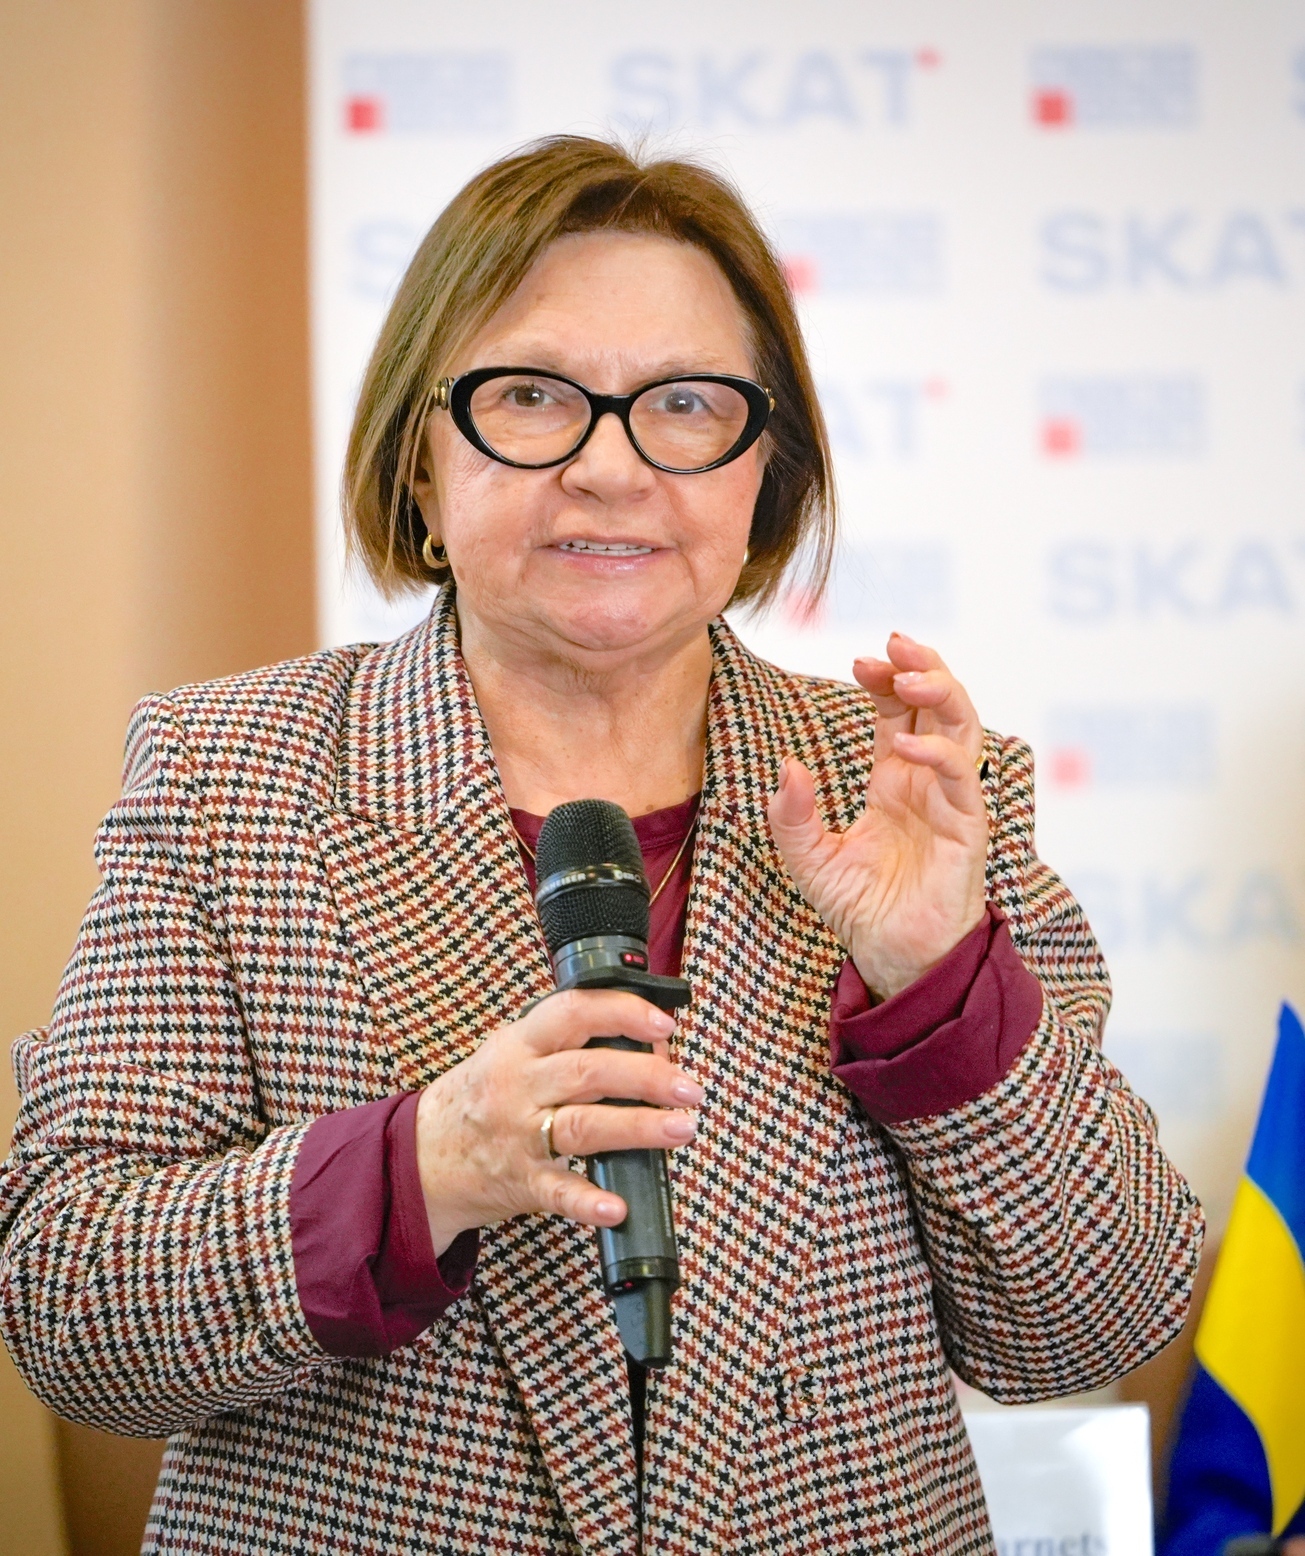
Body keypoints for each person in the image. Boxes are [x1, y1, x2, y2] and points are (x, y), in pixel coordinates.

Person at [0, 136, 1202, 1555]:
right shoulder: (231, 773)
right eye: (531, 396)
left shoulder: (913, 784)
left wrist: (940, 982)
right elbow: (69, 1307)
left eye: (684, 404)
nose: (612, 468)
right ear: (419, 459)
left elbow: (1096, 1323)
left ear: (764, 471)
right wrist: (425, 1165)